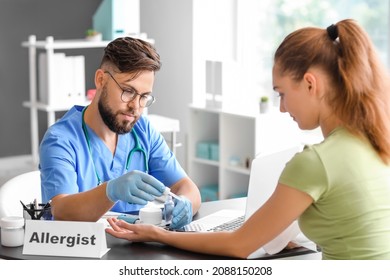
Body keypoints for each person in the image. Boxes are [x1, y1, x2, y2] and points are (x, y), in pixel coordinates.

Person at [106, 19, 390, 259]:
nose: (282, 107)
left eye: (282, 93)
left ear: (309, 83)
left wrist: (158, 234)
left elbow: (240, 245)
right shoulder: (377, 141)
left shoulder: (316, 162)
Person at [39, 37, 201, 229]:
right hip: (85, 251)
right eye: (127, 91)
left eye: (144, 97)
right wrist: (110, 192)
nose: (135, 107)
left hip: (137, 249)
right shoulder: (61, 139)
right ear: (101, 80)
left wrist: (184, 203)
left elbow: (187, 187)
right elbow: (62, 211)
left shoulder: (143, 131)